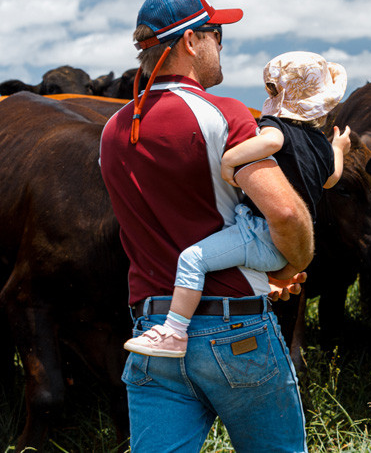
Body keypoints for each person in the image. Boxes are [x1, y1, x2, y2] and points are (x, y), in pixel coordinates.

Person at [100, 0, 315, 452]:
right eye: (216, 33)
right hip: (234, 329)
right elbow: (282, 210)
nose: (221, 44)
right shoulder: (223, 113)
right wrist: (290, 265)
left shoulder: (113, 130)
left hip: (154, 332)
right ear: (191, 41)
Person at [122, 51, 352, 359]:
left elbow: (271, 142)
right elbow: (332, 178)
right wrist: (338, 148)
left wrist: (229, 161)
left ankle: (174, 332)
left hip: (259, 233)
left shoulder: (276, 125)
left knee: (192, 260)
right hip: (289, 243)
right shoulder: (321, 145)